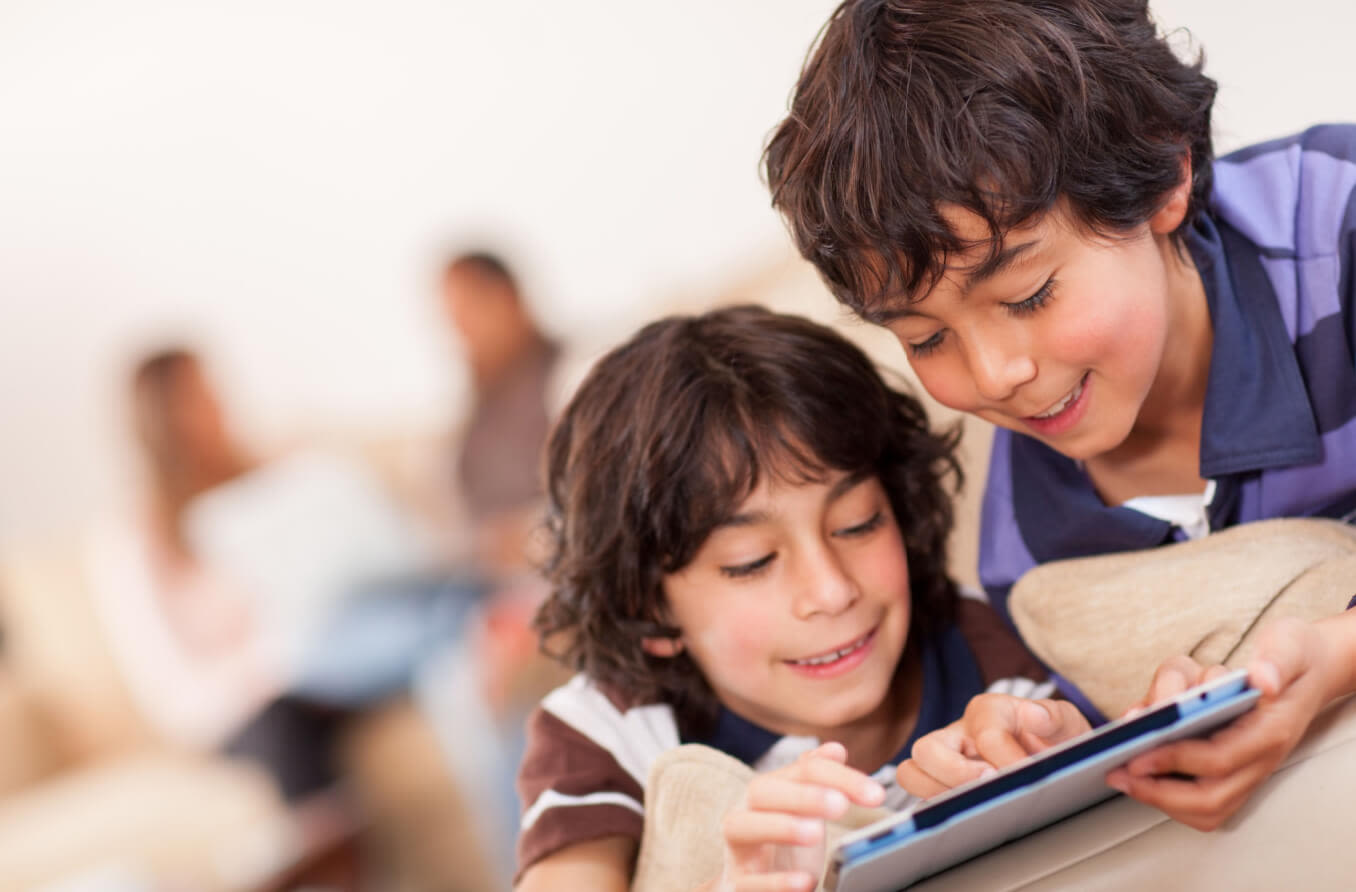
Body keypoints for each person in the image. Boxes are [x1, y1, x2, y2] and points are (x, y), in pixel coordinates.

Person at [762, 0, 1356, 831]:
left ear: (1163, 173)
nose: (998, 376)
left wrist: (1332, 658)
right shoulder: (1027, 548)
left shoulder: (1340, 221)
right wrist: (1066, 748)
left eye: (1029, 294)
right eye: (928, 338)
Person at [513, 305, 1058, 891]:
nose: (831, 591)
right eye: (752, 563)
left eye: (857, 524)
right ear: (648, 605)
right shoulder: (613, 731)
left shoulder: (993, 655)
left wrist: (1049, 752)